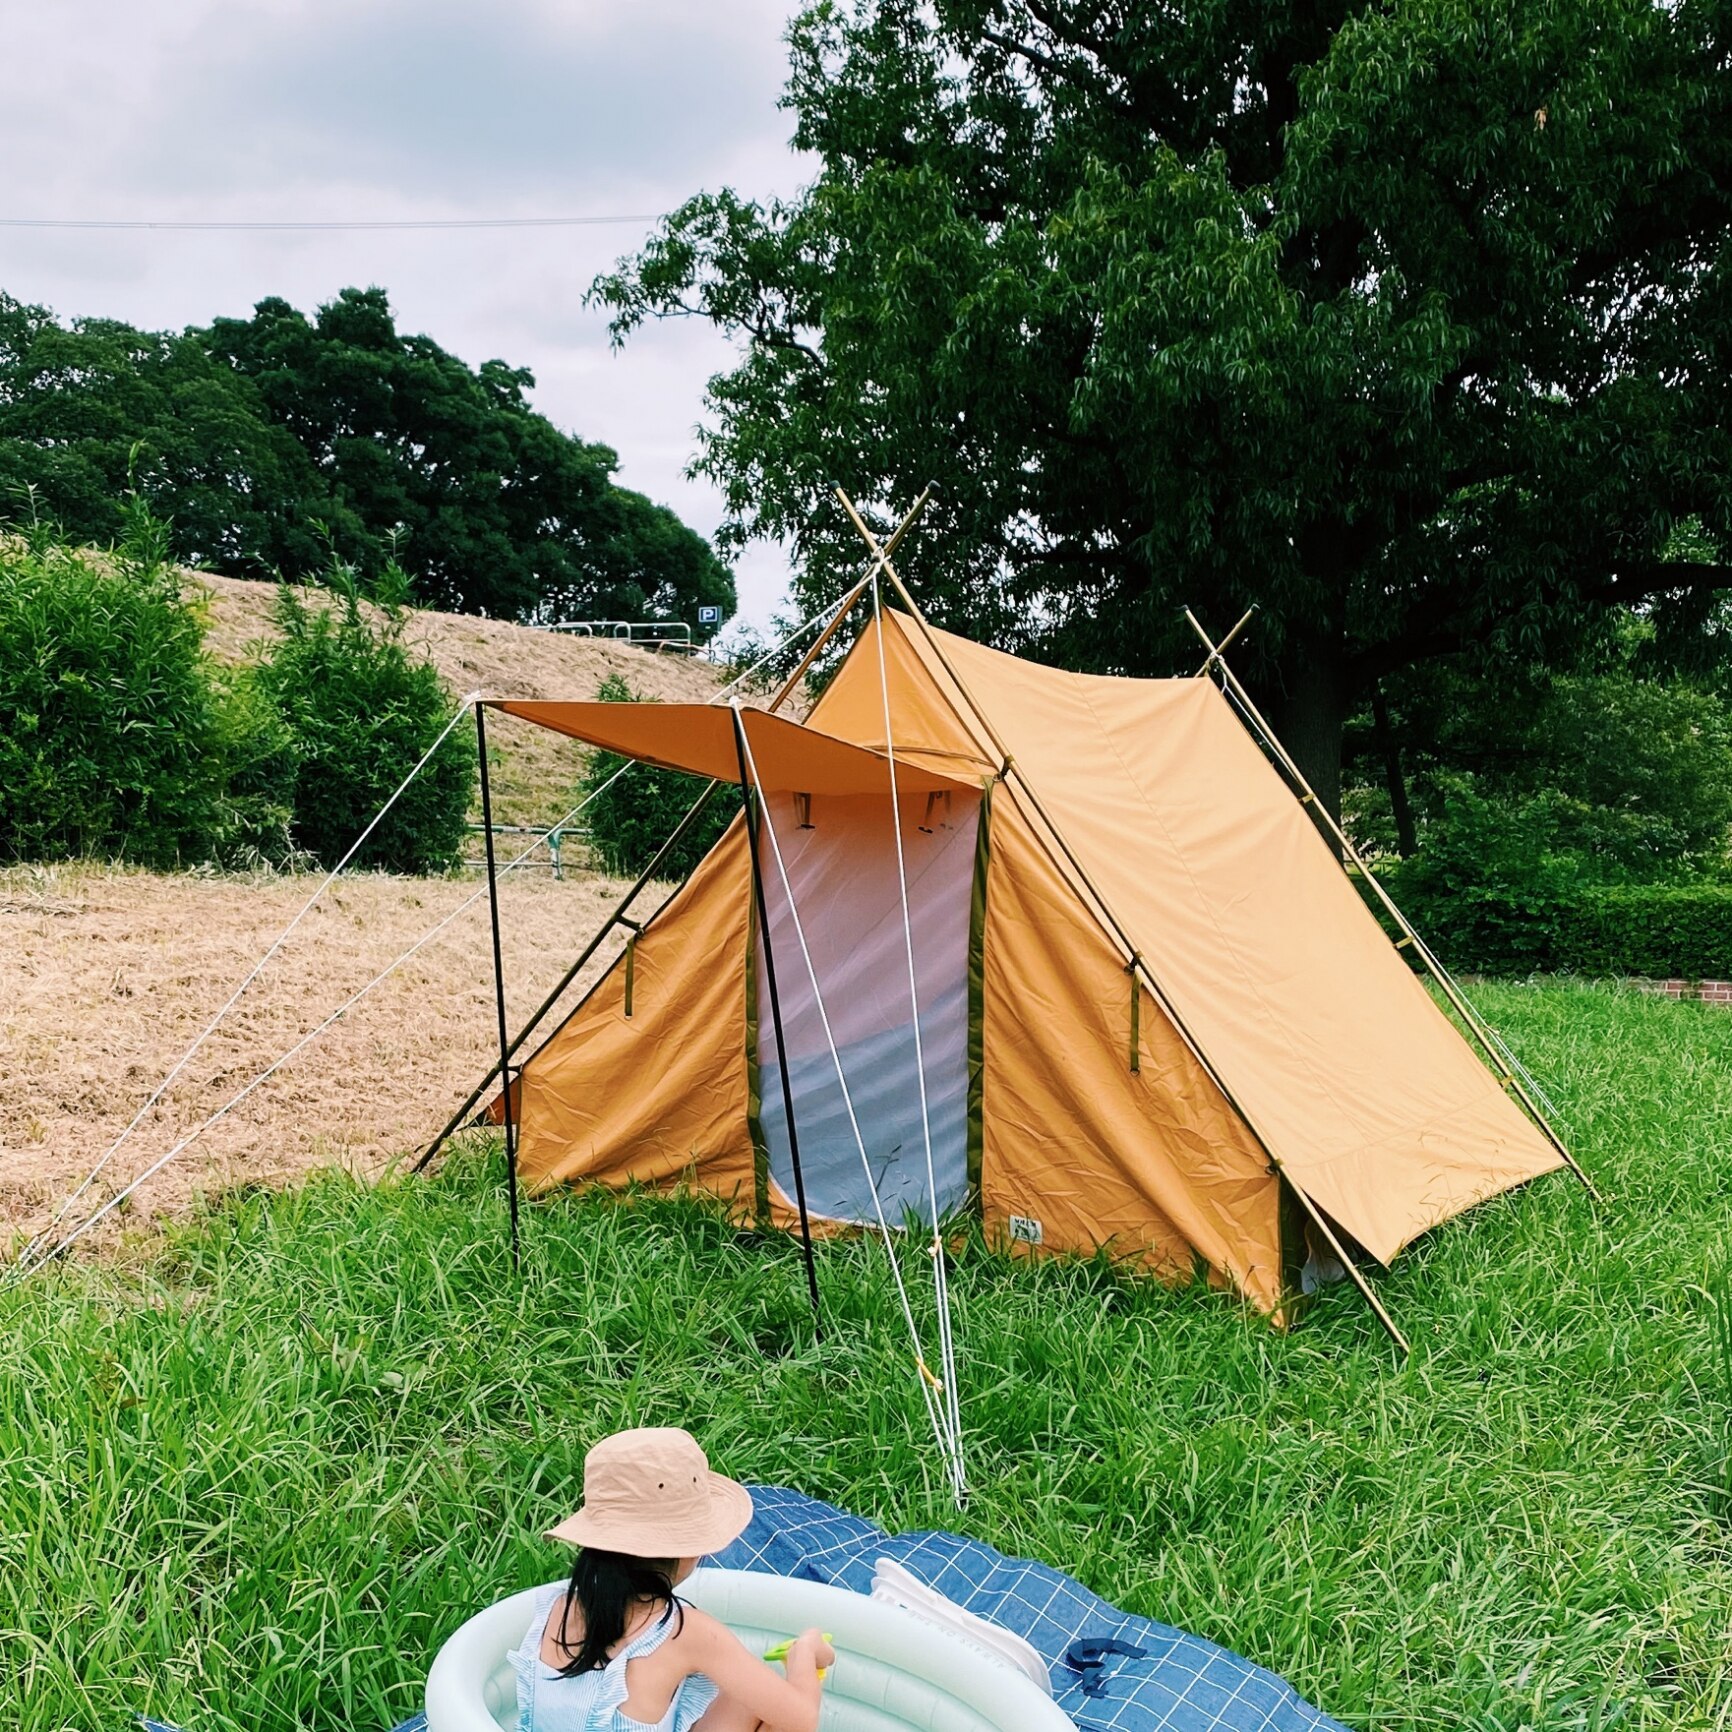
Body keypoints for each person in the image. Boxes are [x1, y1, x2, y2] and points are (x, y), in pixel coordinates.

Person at [510, 1426, 834, 1732]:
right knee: (773, 1711)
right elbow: (801, 1720)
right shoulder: (686, 1632)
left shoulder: (554, 1607)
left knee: (743, 1695)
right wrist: (804, 1654)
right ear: (690, 1547)